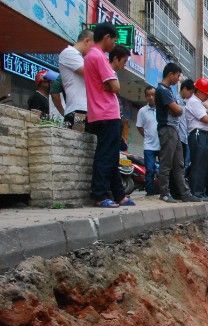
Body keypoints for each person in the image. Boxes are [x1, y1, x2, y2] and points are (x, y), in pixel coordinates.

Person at [84, 22, 134, 208]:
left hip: (99, 113)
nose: (113, 44)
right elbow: (116, 86)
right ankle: (99, 195)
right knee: (106, 156)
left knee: (111, 156)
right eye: (113, 40)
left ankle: (119, 195)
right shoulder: (99, 56)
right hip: (106, 113)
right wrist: (110, 86)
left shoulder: (91, 56)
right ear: (107, 38)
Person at [155, 63, 200, 203]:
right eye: (178, 75)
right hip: (167, 129)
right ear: (171, 74)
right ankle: (164, 193)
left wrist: (178, 109)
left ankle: (185, 194)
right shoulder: (162, 90)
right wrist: (179, 109)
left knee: (179, 164)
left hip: (174, 130)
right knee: (166, 163)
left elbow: (178, 110)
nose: (178, 79)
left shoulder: (169, 90)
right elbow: (177, 110)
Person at [185, 77, 208, 200]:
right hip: (198, 134)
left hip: (204, 134)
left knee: (203, 164)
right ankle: (196, 192)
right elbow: (206, 119)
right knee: (198, 164)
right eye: (206, 94)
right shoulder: (194, 102)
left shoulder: (199, 102)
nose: (207, 96)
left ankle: (200, 192)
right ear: (200, 92)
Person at [58, 28, 93, 129]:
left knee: (83, 142)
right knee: (77, 141)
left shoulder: (81, 58)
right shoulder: (69, 52)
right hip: (78, 110)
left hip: (83, 110)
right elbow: (89, 73)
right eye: (93, 47)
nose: (93, 51)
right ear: (87, 41)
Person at [136, 86, 159, 196]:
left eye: (153, 94)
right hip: (149, 146)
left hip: (162, 145)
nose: (151, 97)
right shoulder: (142, 111)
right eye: (148, 95)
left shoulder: (162, 109)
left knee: (164, 170)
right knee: (150, 170)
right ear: (145, 97)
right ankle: (149, 193)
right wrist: (147, 136)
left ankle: (164, 192)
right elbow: (139, 127)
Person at [178, 79, 195, 176]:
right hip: (178, 137)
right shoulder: (176, 100)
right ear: (184, 89)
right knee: (179, 163)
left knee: (184, 163)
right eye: (190, 92)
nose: (191, 95)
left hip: (185, 138)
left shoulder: (185, 104)